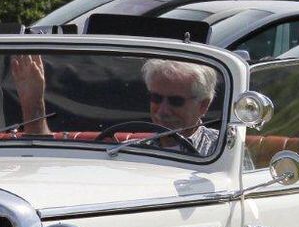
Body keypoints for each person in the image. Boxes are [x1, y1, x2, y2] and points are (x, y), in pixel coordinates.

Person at [12, 56, 219, 155]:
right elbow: (47, 156)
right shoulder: (130, 150)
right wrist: (32, 102)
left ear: (203, 106)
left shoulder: (221, 149)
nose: (163, 110)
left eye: (175, 101)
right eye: (156, 98)